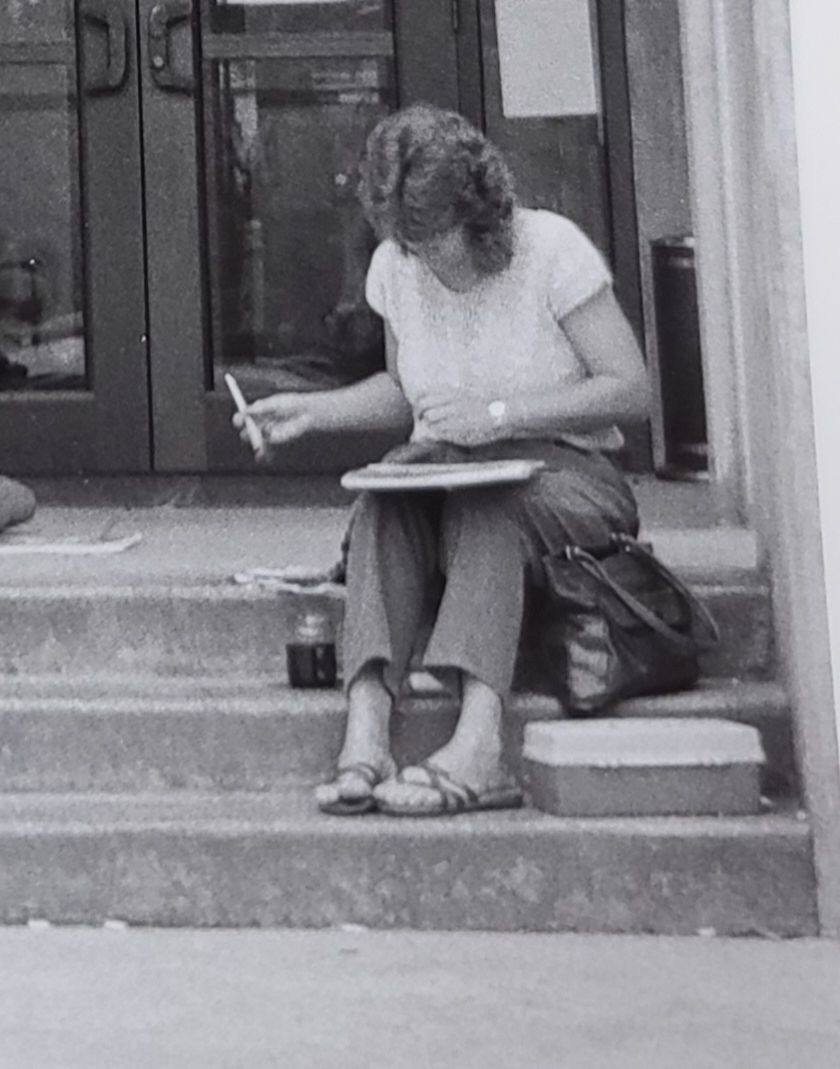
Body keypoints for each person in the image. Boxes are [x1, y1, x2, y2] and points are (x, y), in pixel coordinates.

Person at [239, 105, 652, 819]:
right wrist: (312, 412)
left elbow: (630, 389)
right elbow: (405, 393)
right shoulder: (396, 265)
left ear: (479, 211)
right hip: (448, 463)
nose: (421, 256)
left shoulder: (550, 250)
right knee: (382, 502)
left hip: (570, 474)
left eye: (433, 239)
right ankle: (366, 730)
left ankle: (479, 746)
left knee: (488, 507)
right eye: (405, 240)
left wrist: (501, 417)